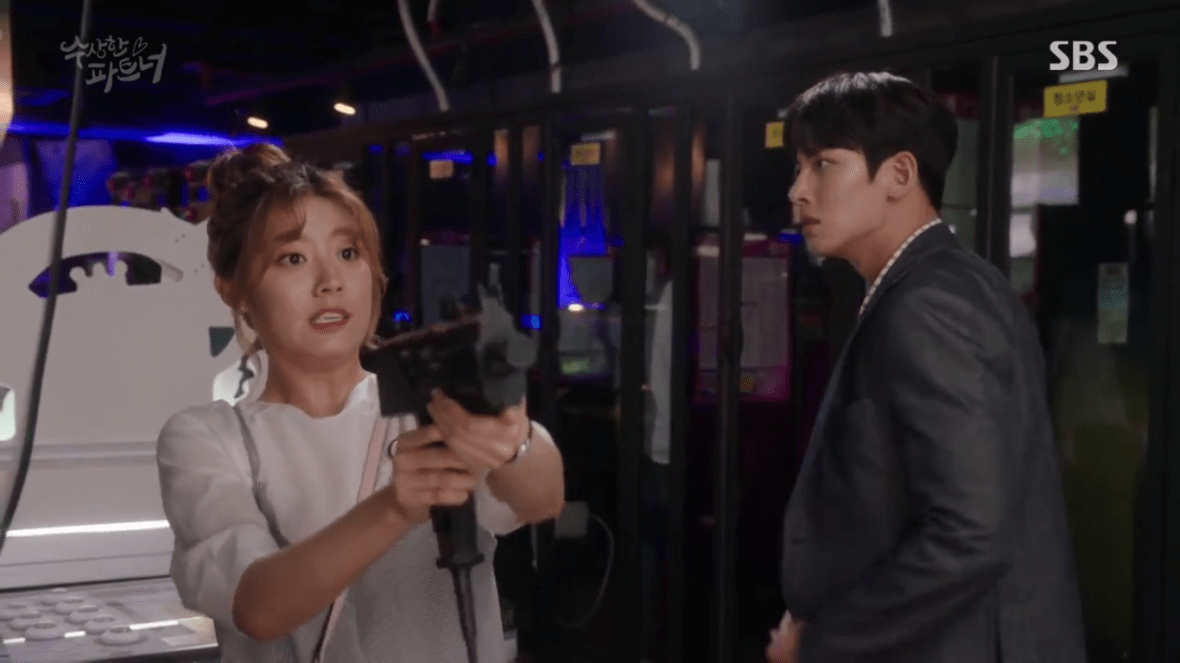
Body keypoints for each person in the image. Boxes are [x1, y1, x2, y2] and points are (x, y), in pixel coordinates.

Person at [156, 143, 565, 663]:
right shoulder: (207, 437)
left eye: (348, 254)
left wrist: (513, 441)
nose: (331, 282)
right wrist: (395, 506)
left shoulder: (428, 408)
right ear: (233, 289)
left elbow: (542, 499)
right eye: (293, 258)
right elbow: (258, 608)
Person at [766, 72, 1086, 663]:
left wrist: (824, 638)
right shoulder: (947, 283)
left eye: (823, 165)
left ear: (899, 175)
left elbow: (970, 530)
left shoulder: (929, 303)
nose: (798, 191)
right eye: (798, 167)